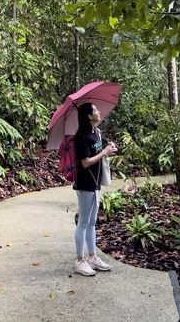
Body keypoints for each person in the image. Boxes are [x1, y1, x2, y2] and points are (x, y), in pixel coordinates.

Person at [73, 102, 118, 276]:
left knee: (92, 222)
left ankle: (92, 257)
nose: (99, 111)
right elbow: (85, 163)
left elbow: (103, 150)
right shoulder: (82, 137)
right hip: (85, 183)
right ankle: (79, 261)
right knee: (83, 222)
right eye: (95, 110)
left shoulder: (96, 133)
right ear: (89, 116)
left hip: (96, 183)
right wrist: (103, 153)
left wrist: (110, 148)